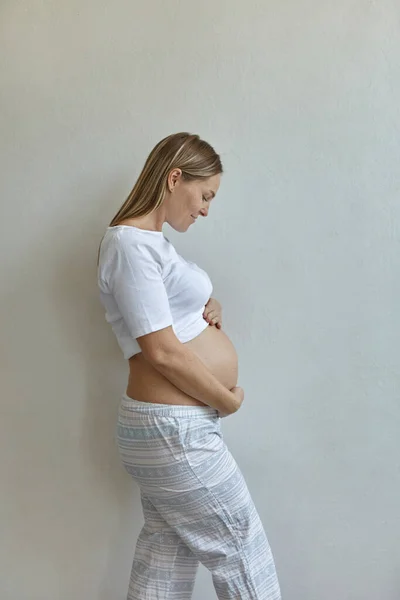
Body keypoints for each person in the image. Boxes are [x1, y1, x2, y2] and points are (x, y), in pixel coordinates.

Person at [97, 132, 281, 600]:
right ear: (174, 177)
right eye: (205, 195)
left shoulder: (150, 244)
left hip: (171, 428)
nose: (205, 209)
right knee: (243, 550)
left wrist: (208, 304)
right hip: (173, 431)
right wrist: (227, 401)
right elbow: (161, 350)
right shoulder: (129, 245)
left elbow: (169, 313)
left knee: (166, 558)